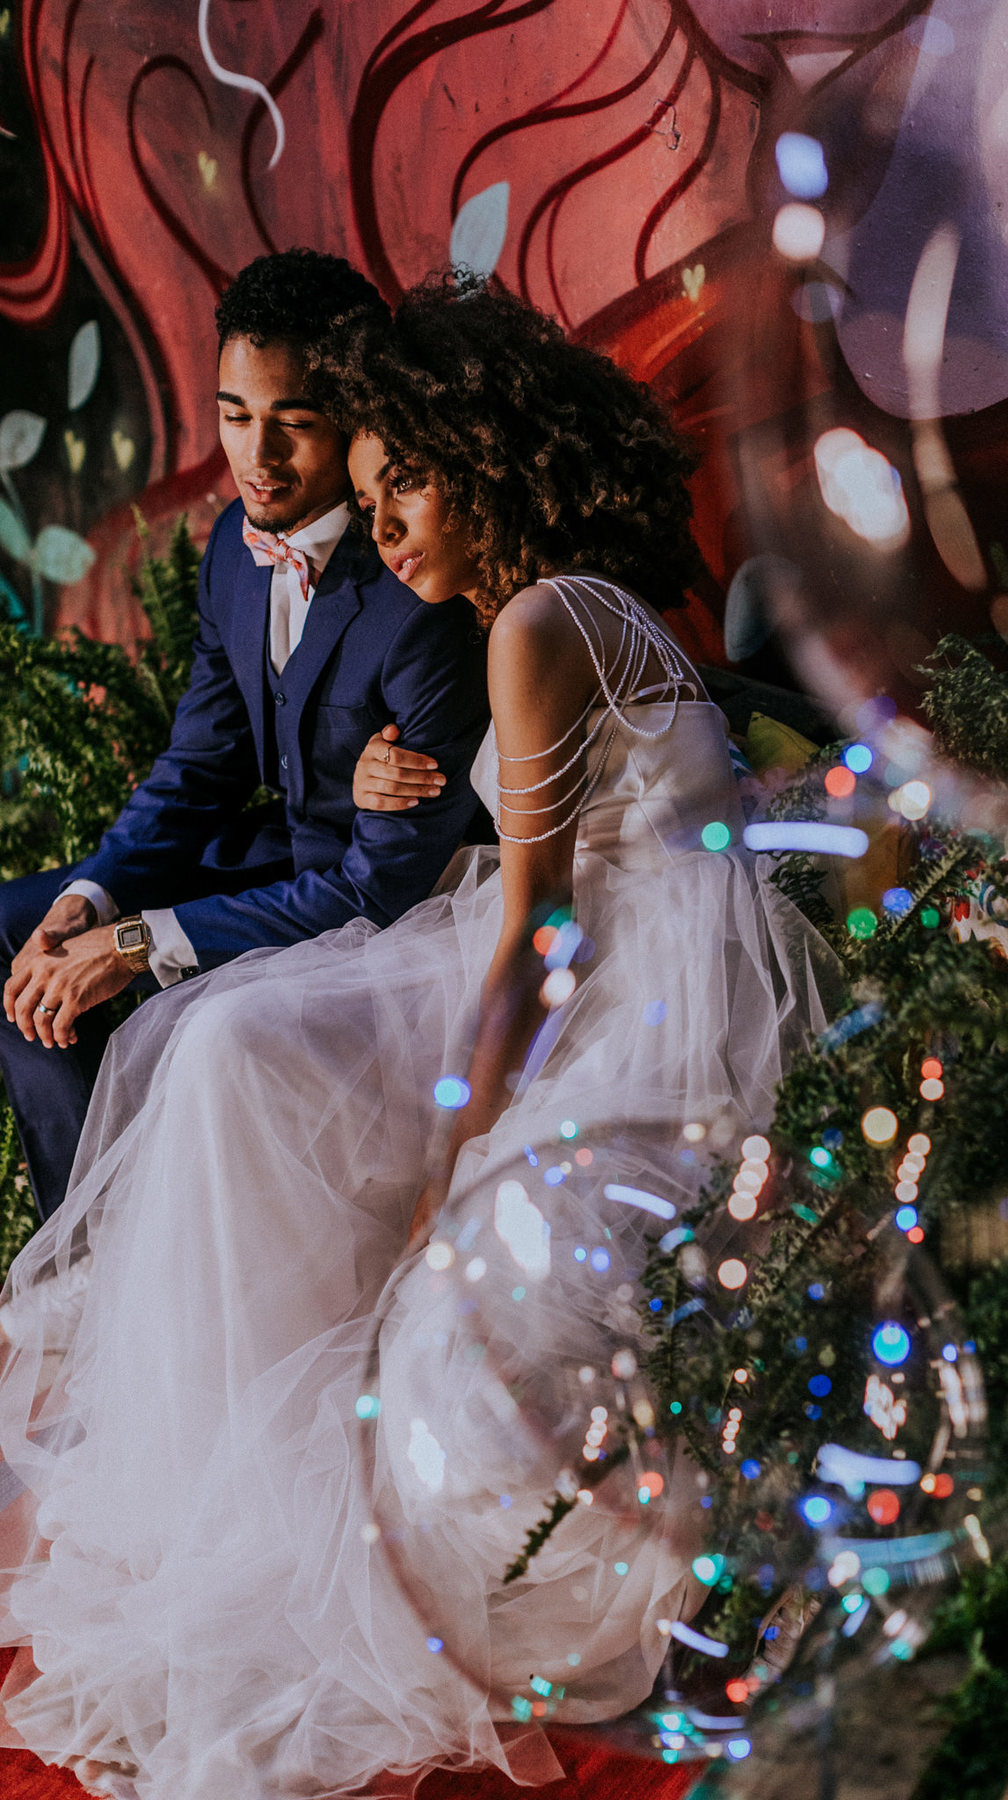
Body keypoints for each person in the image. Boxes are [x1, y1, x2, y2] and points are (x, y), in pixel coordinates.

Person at [0, 277, 835, 1799]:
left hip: (634, 992)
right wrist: (414, 792)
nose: (380, 527)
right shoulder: (544, 608)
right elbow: (511, 839)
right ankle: (213, 1476)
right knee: (226, 1054)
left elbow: (537, 928)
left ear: (482, 466)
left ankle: (306, 1518)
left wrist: (464, 1151)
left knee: (275, 1101)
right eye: (370, 493)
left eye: (404, 487)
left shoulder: (534, 623)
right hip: (584, 941)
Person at [0, 248, 489, 1221]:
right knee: (19, 924)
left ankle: (141, 1244)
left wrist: (136, 942)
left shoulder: (422, 591)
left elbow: (379, 891)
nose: (256, 457)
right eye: (234, 416)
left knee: (181, 1011)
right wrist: (93, 898)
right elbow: (199, 766)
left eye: (293, 424)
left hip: (387, 922)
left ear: (354, 415)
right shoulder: (232, 545)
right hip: (274, 863)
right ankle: (85, 1236)